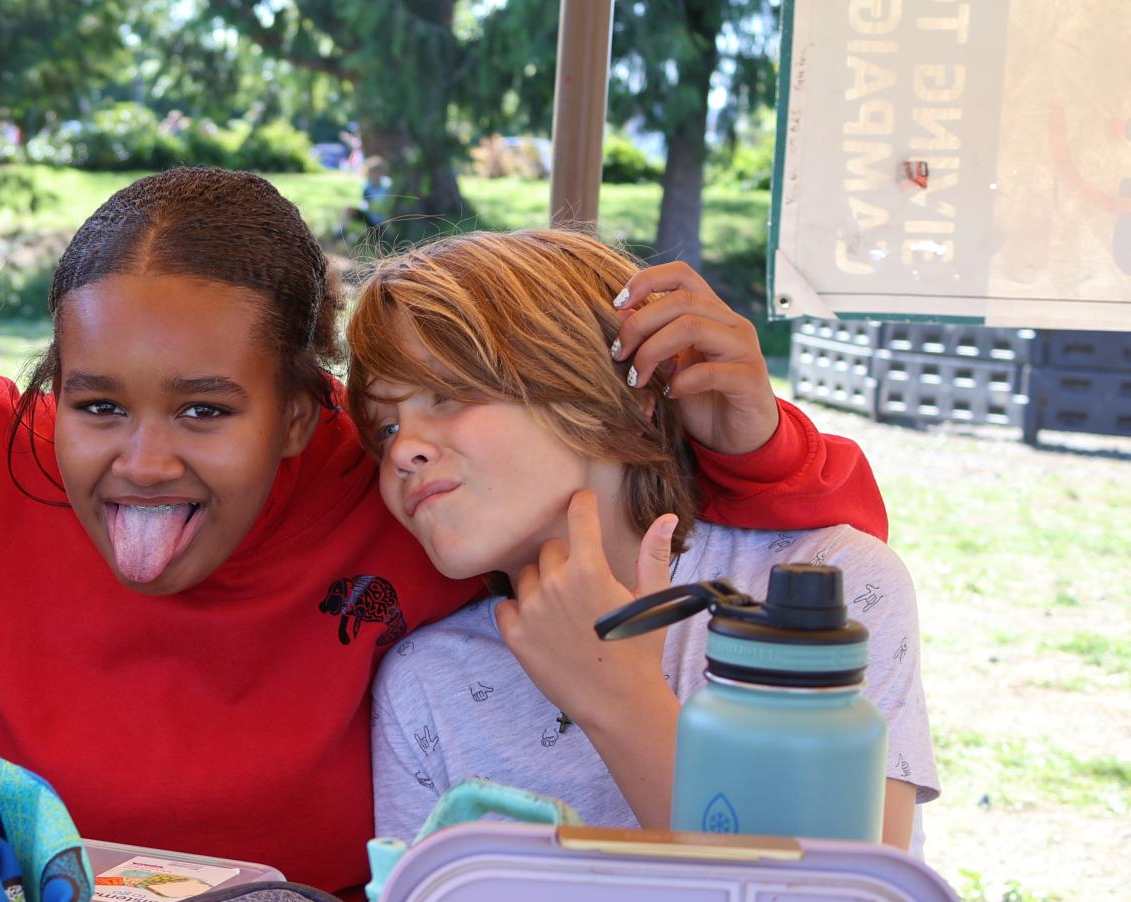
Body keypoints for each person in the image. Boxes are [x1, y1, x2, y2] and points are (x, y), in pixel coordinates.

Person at [0, 171, 888, 897]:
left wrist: (754, 438)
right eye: (99, 404)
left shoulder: (395, 490)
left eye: (205, 410)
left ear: (302, 419)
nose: (142, 458)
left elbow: (791, 552)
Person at [355, 229, 935, 851]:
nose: (404, 450)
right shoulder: (423, 683)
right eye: (385, 427)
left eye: (450, 394)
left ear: (627, 394)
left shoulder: (831, 588)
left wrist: (620, 700)